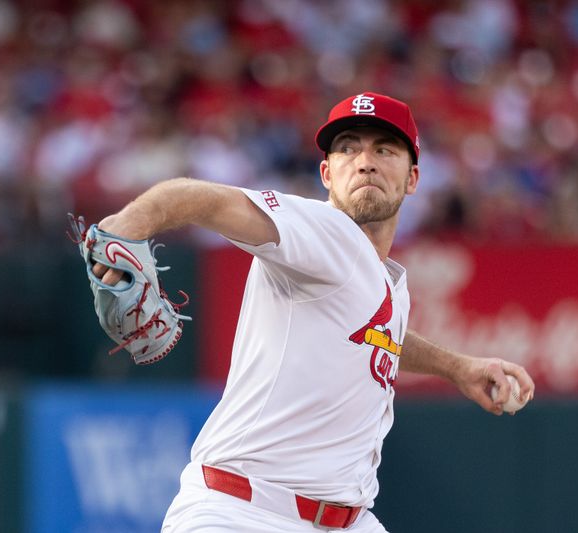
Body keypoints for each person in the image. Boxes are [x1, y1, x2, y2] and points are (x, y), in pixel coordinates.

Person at [92, 91, 535, 532]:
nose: (365, 161)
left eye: (384, 149)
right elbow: (211, 200)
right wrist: (135, 220)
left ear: (413, 177)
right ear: (326, 173)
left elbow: (380, 335)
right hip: (243, 513)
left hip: (348, 520)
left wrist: (457, 367)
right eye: (348, 149)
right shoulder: (322, 230)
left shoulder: (386, 281)